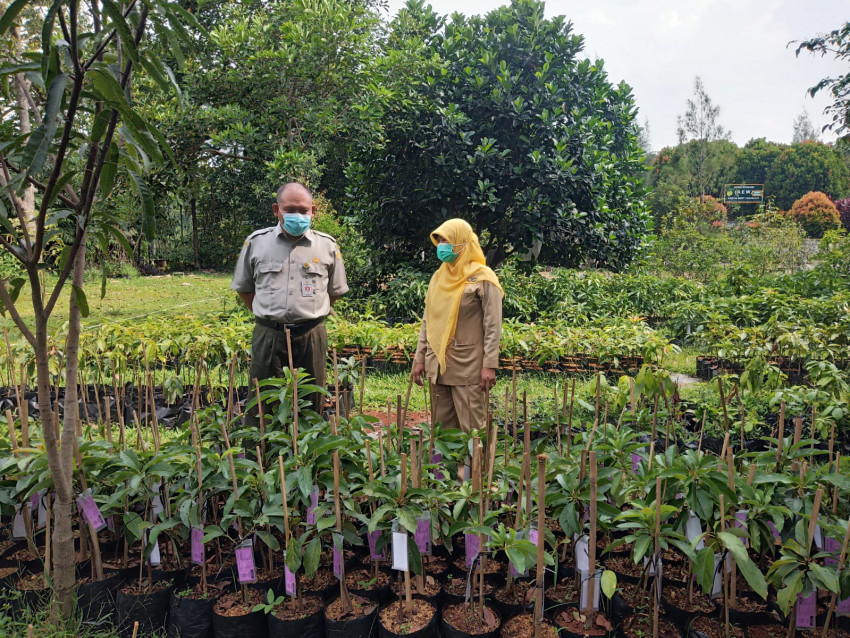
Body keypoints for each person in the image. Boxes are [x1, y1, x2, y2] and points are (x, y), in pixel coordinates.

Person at [231, 182, 348, 414]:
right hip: (269, 335)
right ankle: (261, 449)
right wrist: (269, 314)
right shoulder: (256, 242)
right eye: (290, 209)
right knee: (263, 402)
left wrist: (309, 313)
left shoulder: (327, 246)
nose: (298, 215)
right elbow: (245, 289)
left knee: (311, 400)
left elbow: (333, 292)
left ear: (313, 211)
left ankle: (308, 450)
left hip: (311, 335)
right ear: (277, 210)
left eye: (303, 210)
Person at [412, 218, 503, 432]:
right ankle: (439, 467)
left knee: (472, 429)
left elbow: (493, 324)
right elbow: (428, 320)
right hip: (437, 365)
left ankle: (475, 467)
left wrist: (489, 364)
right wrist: (420, 359)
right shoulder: (438, 277)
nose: (442, 245)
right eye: (440, 240)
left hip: (468, 367)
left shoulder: (483, 277)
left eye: (447, 240)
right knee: (441, 430)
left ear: (462, 242)